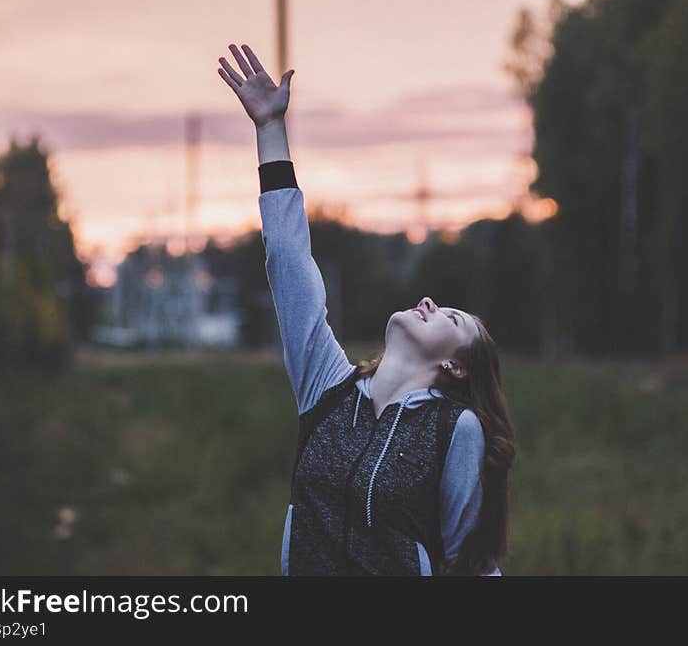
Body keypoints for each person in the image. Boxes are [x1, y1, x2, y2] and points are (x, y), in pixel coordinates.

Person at [217, 44, 515, 576]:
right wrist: (269, 130)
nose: (429, 303)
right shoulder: (326, 389)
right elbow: (288, 261)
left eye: (450, 318)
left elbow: (468, 562)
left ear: (456, 366)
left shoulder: (457, 429)